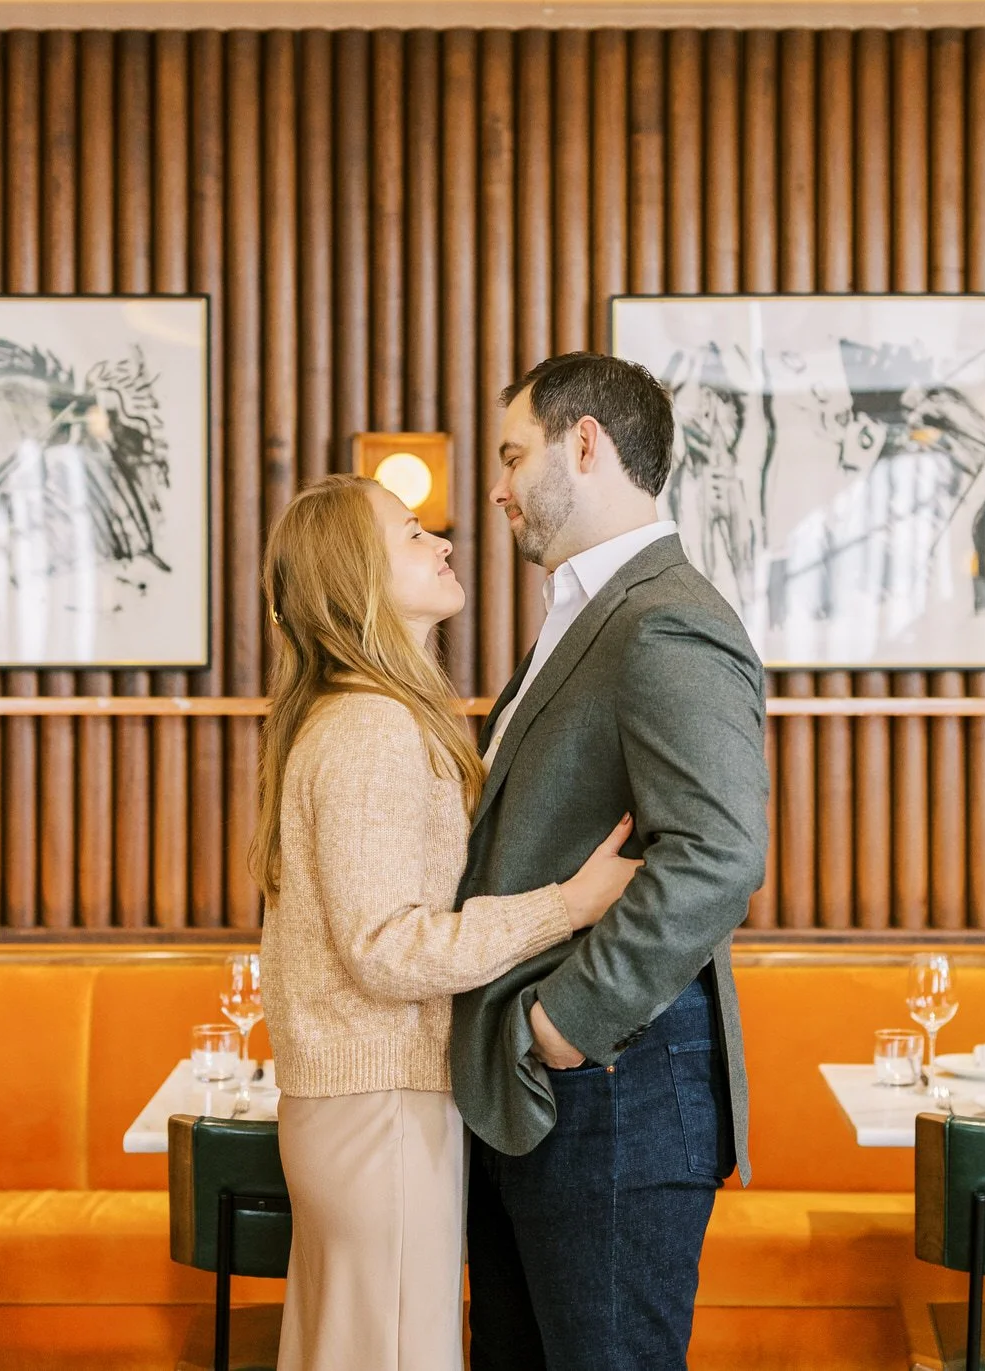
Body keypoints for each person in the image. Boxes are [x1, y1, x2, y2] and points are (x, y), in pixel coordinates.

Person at [252, 473, 644, 1371]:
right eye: (411, 534)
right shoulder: (373, 726)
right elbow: (386, 947)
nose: (443, 543)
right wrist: (568, 905)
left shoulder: (350, 716)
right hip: (380, 1102)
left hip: (356, 1103)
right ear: (358, 581)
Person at [451, 351, 772, 1371]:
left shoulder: (662, 614)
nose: (496, 486)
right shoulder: (583, 613)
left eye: (512, 454)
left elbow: (718, 851)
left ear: (583, 442)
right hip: (539, 1095)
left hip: (615, 1089)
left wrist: (560, 1024)